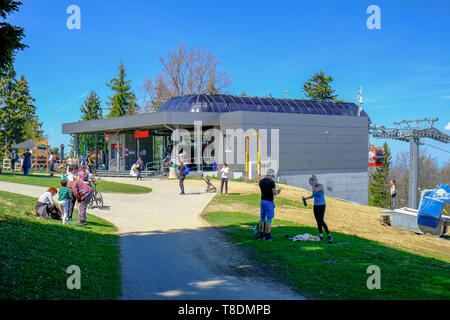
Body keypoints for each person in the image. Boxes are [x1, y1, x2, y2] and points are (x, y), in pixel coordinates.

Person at [304, 174, 332, 244]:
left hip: (321, 205)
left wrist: (313, 184)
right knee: (317, 221)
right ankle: (321, 235)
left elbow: (316, 190)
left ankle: (329, 235)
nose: (310, 184)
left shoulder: (320, 186)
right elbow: (313, 195)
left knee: (321, 220)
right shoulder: (314, 186)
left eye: (311, 182)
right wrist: (306, 199)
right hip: (315, 205)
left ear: (315, 181)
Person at [255, 169, 281, 241]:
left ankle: (260, 234)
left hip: (262, 201)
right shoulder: (272, 182)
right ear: (271, 175)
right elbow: (274, 193)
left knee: (262, 219)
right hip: (269, 202)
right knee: (269, 220)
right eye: (273, 175)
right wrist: (277, 192)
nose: (273, 177)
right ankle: (268, 235)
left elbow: (264, 190)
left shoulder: (261, 181)